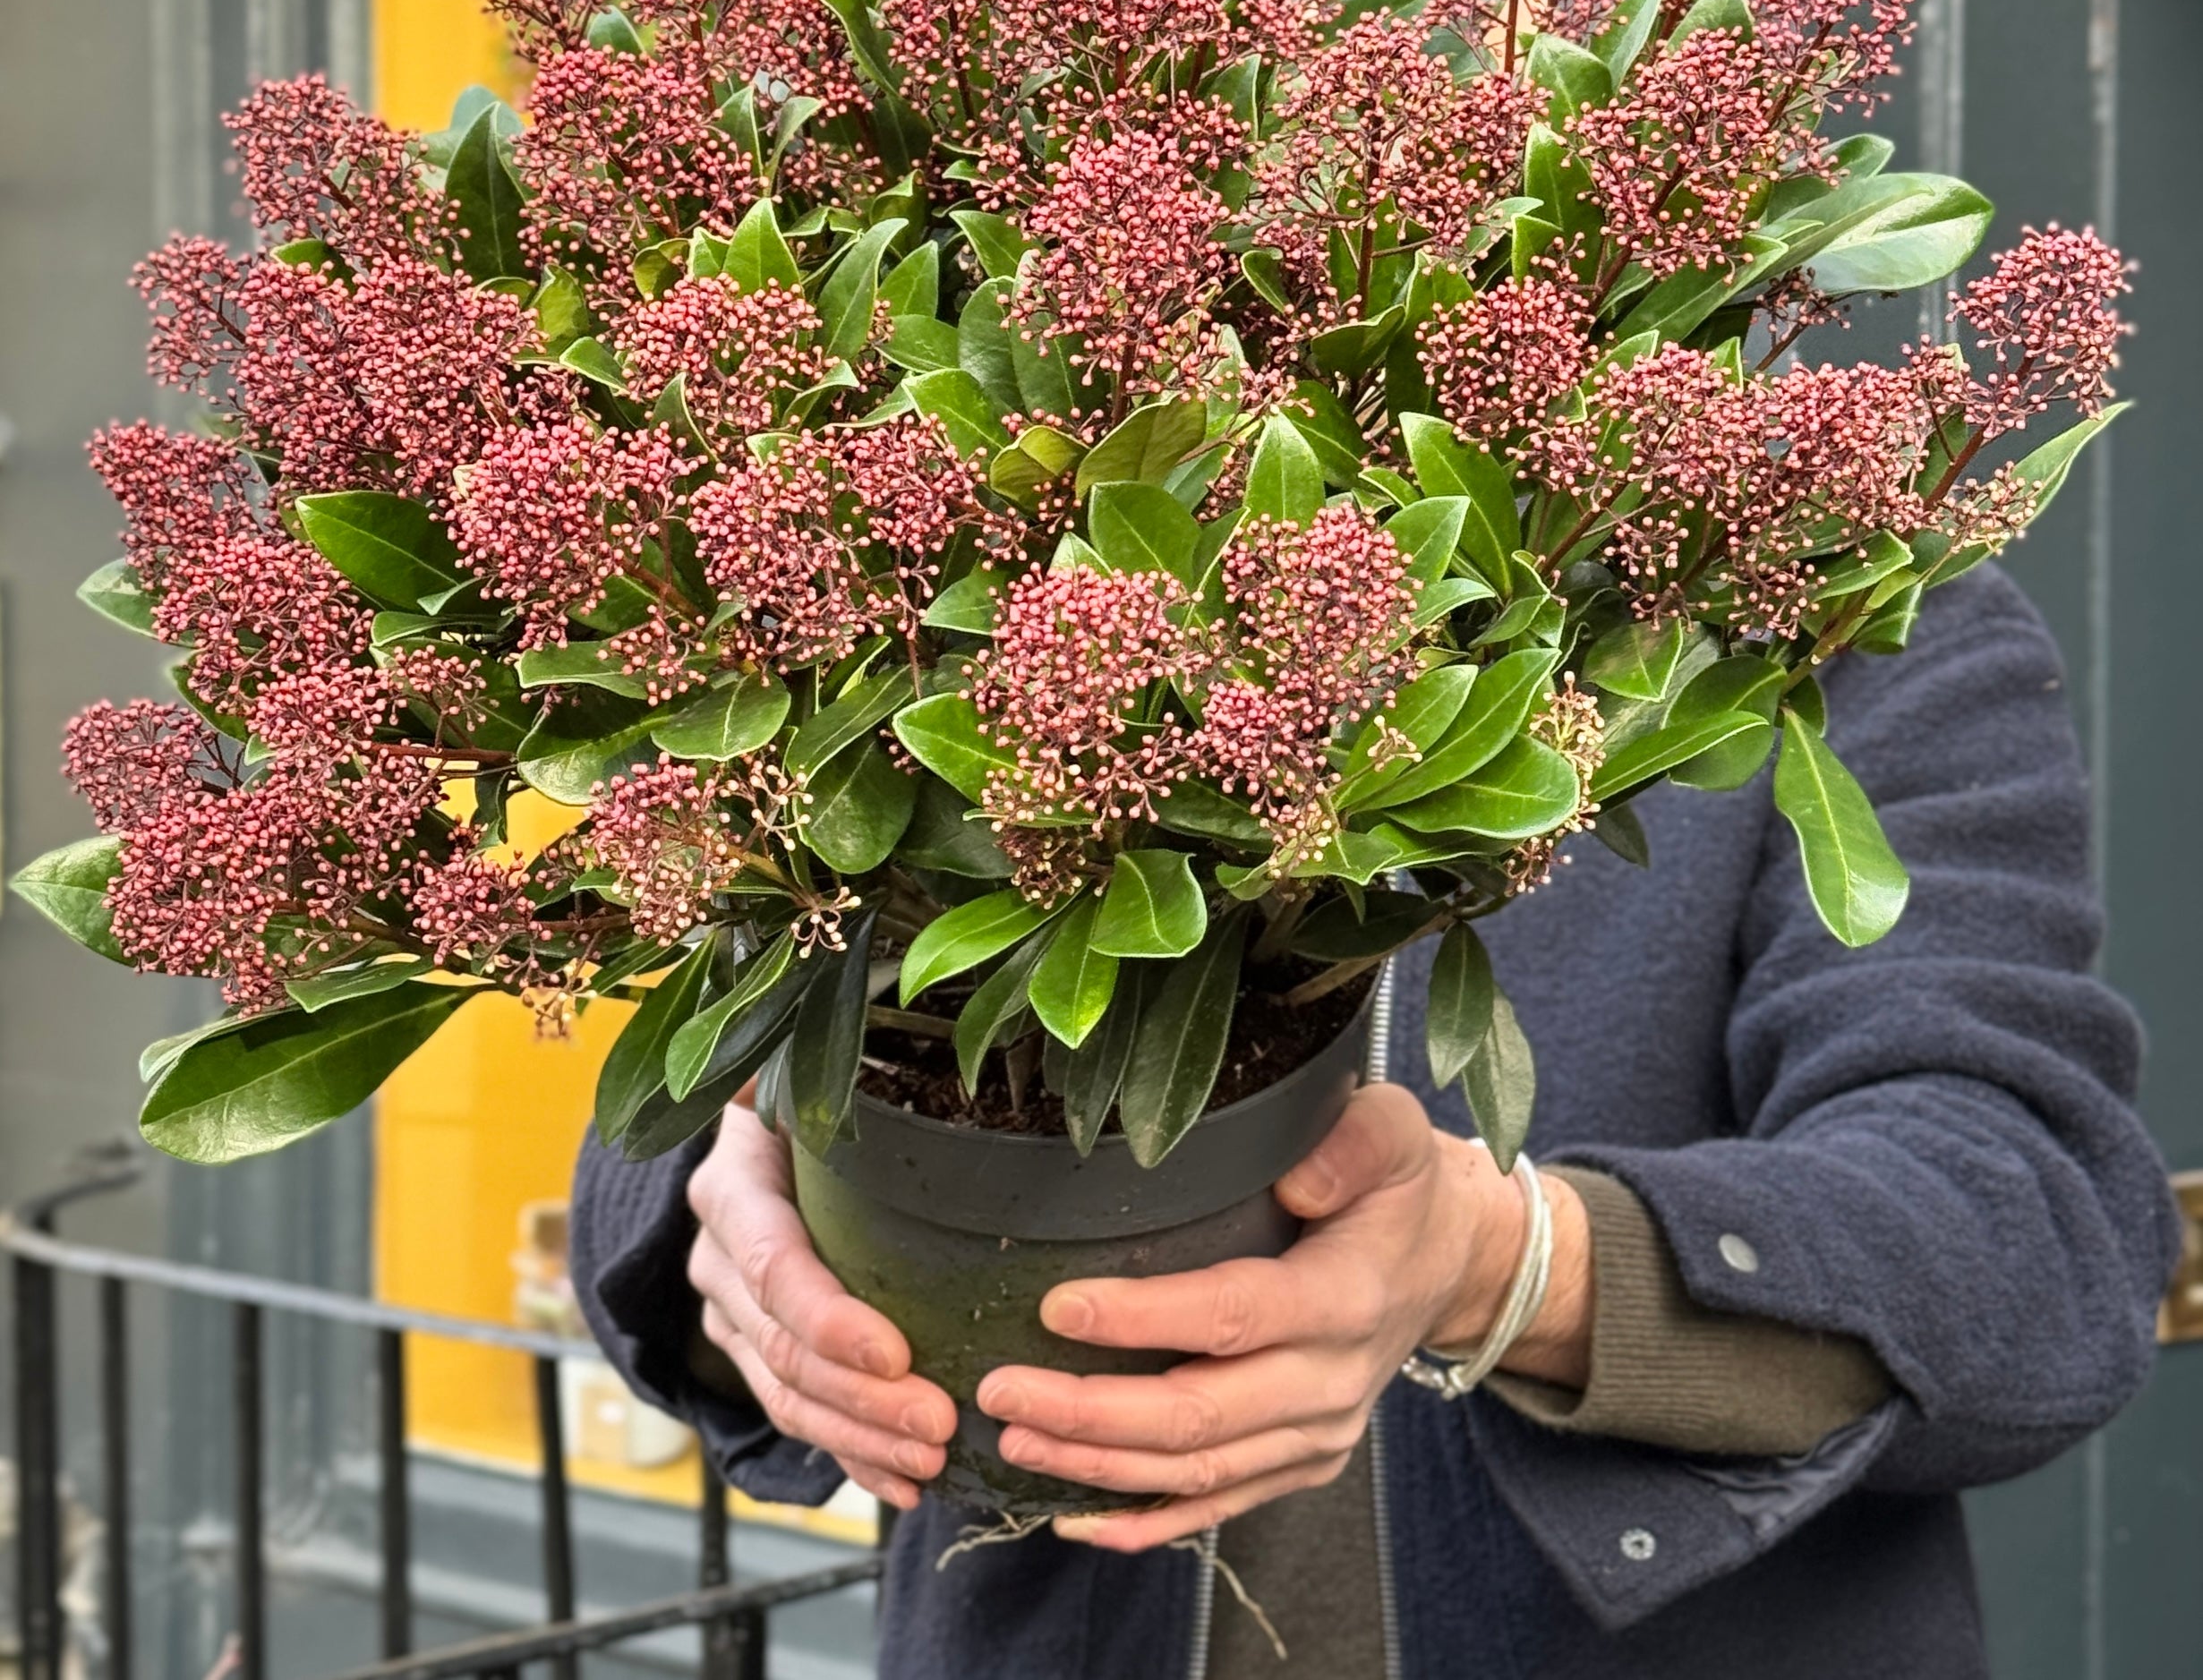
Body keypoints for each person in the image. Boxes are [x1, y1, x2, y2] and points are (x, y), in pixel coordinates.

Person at [568, 565, 2178, 1678]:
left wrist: (1504, 1268)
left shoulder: (1839, 633)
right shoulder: (976, 568)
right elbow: (670, 1121)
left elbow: (2029, 1234)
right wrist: (739, 1223)